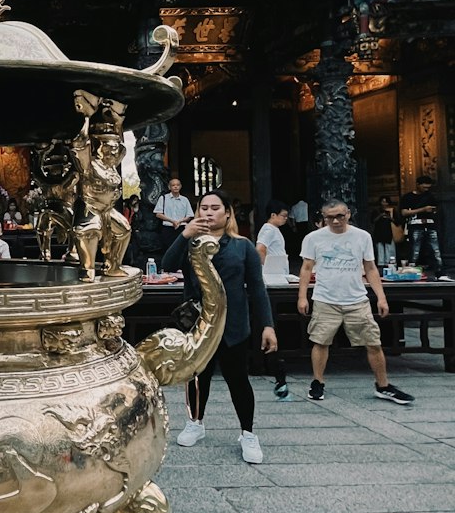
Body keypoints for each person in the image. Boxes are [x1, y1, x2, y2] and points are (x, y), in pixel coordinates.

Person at [163, 189, 278, 464]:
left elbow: (257, 288)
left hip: (233, 324)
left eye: (215, 208)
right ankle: (195, 423)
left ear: (227, 213)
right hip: (198, 323)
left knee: (237, 379)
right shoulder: (190, 243)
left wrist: (268, 325)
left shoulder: (242, 246)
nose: (209, 212)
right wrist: (185, 234)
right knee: (197, 378)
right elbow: (166, 265)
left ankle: (247, 433)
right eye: (204, 208)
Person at [297, 199, 413, 405]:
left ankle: (383, 385)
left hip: (357, 298)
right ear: (323, 218)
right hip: (326, 298)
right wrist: (302, 296)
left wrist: (381, 297)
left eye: (340, 216)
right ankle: (317, 381)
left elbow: (370, 268)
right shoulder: (313, 238)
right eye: (330, 217)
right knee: (321, 341)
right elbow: (306, 268)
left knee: (373, 342)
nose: (335, 221)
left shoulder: (362, 237)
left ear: (348, 214)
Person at [254, 200, 292, 399]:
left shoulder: (273, 229)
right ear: (273, 215)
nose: (285, 219)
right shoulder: (268, 229)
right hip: (271, 274)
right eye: (283, 216)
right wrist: (260, 270)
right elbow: (261, 249)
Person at [399, 176, 449, 279]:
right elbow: (404, 212)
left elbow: (436, 210)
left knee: (436, 251)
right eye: (424, 187)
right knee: (414, 251)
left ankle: (440, 273)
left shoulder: (431, 196)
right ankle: (411, 273)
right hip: (416, 224)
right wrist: (423, 209)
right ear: (418, 184)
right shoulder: (408, 197)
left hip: (430, 224)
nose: (426, 189)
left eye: (428, 187)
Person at [154, 176, 194, 251]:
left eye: (177, 185)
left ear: (180, 186)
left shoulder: (185, 200)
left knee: (181, 249)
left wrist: (179, 221)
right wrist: (172, 221)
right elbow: (158, 214)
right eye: (173, 185)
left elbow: (190, 215)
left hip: (181, 228)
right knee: (168, 249)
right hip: (167, 229)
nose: (175, 187)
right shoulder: (163, 198)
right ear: (169, 187)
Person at [371, 196, 400, 270]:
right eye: (383, 201)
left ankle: (390, 263)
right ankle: (381, 264)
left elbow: (397, 222)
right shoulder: (376, 211)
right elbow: (372, 221)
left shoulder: (392, 210)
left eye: (386, 201)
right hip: (379, 232)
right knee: (380, 248)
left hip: (390, 232)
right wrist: (380, 216)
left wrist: (389, 217)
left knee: (390, 249)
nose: (384, 203)